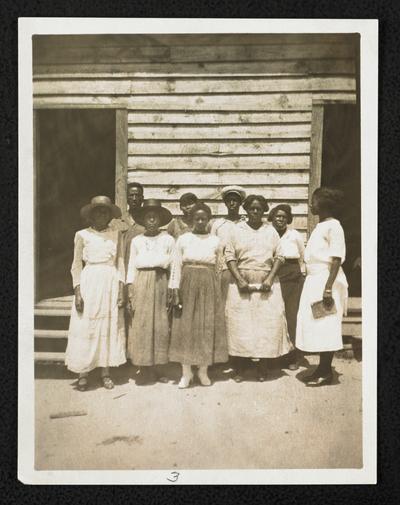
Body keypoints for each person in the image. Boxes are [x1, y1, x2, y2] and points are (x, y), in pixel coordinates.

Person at [224, 195, 292, 382]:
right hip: (241, 284)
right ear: (246, 210)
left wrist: (269, 278)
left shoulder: (270, 232)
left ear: (264, 211)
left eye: (259, 209)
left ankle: (263, 367)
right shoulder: (236, 230)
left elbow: (280, 256)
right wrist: (239, 279)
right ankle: (240, 367)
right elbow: (229, 256)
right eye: (252, 208)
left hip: (266, 285)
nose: (255, 212)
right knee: (240, 325)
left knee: (266, 325)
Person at [65, 196, 126, 391]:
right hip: (89, 281)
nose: (102, 215)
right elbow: (76, 265)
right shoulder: (82, 235)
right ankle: (83, 373)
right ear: (91, 215)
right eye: (98, 211)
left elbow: (121, 263)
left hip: (110, 281)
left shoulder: (117, 235)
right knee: (86, 325)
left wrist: (121, 289)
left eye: (105, 211)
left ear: (110, 216)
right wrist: (78, 292)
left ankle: (105, 372)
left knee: (107, 326)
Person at [169, 202, 228, 388]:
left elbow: (219, 268)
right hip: (187, 282)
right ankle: (186, 373)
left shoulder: (216, 241)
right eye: (197, 218)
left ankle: (203, 371)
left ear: (209, 220)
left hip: (208, 284)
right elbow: (176, 266)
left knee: (206, 326)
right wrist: (175, 289)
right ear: (191, 220)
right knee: (185, 327)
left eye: (204, 218)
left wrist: (217, 291)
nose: (201, 222)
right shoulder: (183, 239)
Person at [296, 187, 348, 386]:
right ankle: (322, 368)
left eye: (314, 201)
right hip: (315, 280)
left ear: (325, 204)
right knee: (316, 323)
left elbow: (336, 259)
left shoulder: (334, 227)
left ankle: (326, 373)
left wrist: (328, 288)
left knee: (326, 323)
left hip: (327, 280)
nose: (311, 205)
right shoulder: (321, 226)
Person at [126, 199, 175, 385]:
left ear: (160, 220)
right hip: (142, 281)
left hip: (161, 280)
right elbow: (131, 266)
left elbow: (174, 266)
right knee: (143, 323)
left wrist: (172, 287)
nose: (152, 220)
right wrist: (131, 289)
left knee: (161, 324)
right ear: (143, 220)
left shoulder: (168, 240)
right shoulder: (137, 241)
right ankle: (144, 367)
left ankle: (159, 368)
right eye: (148, 217)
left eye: (155, 217)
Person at [268, 204, 305, 370]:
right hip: (274, 274)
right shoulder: (267, 233)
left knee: (292, 315)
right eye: (277, 216)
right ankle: (274, 356)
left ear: (288, 219)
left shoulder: (294, 235)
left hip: (293, 275)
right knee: (274, 315)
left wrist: (303, 274)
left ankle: (293, 356)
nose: (280, 219)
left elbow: (302, 256)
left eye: (283, 217)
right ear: (272, 217)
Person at [210, 185, 246, 301]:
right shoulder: (218, 224)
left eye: (235, 200)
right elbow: (212, 250)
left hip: (243, 269)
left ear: (240, 203)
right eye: (229, 201)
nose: (232, 203)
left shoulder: (246, 223)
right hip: (224, 271)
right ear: (225, 203)